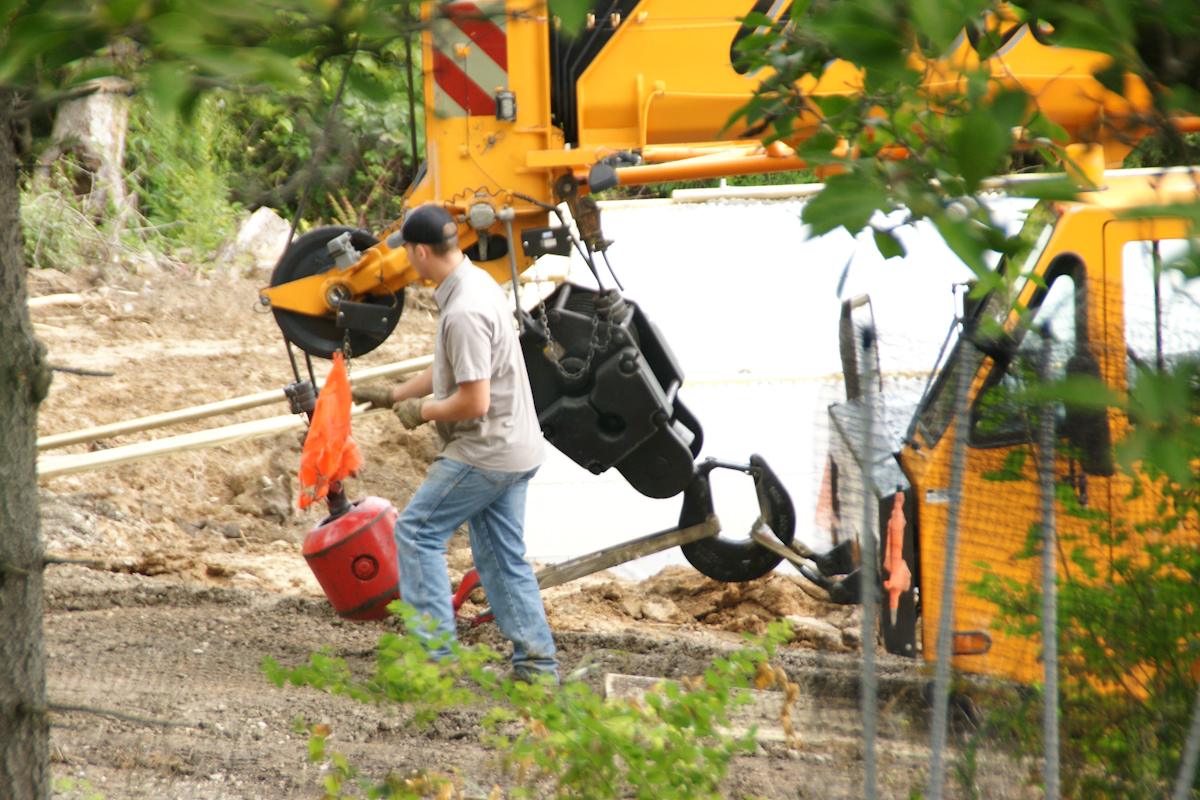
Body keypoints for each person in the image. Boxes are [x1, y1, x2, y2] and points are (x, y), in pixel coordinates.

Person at [352, 203, 558, 683]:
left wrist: (419, 411)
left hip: (485, 449)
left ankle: (434, 663)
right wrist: (394, 394)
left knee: (418, 532)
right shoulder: (477, 282)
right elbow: (455, 366)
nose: (407, 262)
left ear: (422, 252)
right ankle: (537, 669)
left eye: (408, 253)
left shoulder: (463, 310)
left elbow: (473, 400)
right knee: (501, 556)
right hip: (518, 446)